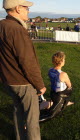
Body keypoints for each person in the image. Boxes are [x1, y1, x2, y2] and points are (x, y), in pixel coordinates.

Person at [0, 0, 46, 140]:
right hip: (23, 82)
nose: (29, 11)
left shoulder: (2, 25)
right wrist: (40, 85)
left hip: (8, 80)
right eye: (26, 8)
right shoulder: (17, 30)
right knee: (32, 119)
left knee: (18, 111)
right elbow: (27, 62)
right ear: (18, 9)